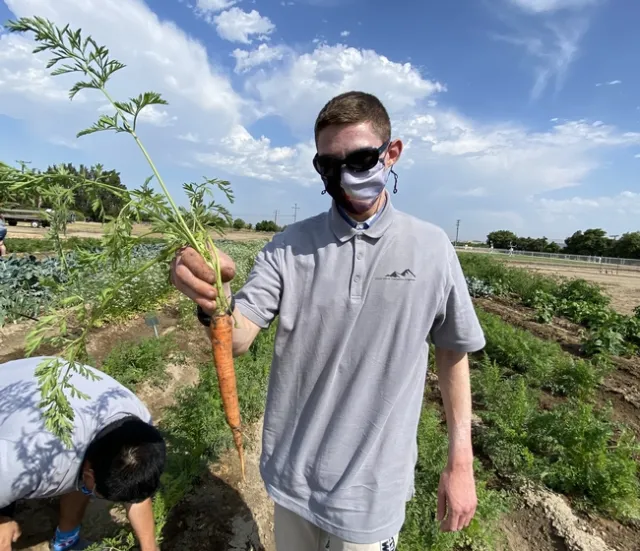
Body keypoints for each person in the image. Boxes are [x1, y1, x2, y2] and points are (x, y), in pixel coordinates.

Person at [170, 91, 486, 550]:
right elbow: (238, 337)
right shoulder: (288, 247)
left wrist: (461, 462)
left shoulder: (432, 249)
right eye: (328, 166)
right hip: (291, 482)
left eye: (359, 160)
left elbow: (453, 353)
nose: (343, 177)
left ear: (391, 153)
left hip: (369, 496)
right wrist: (211, 298)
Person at [0, 356, 166, 551]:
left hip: (38, 389)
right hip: (12, 400)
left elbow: (135, 489)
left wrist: (150, 548)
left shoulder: (140, 432)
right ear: (89, 471)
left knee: (83, 481)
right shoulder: (28, 458)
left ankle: (66, 541)